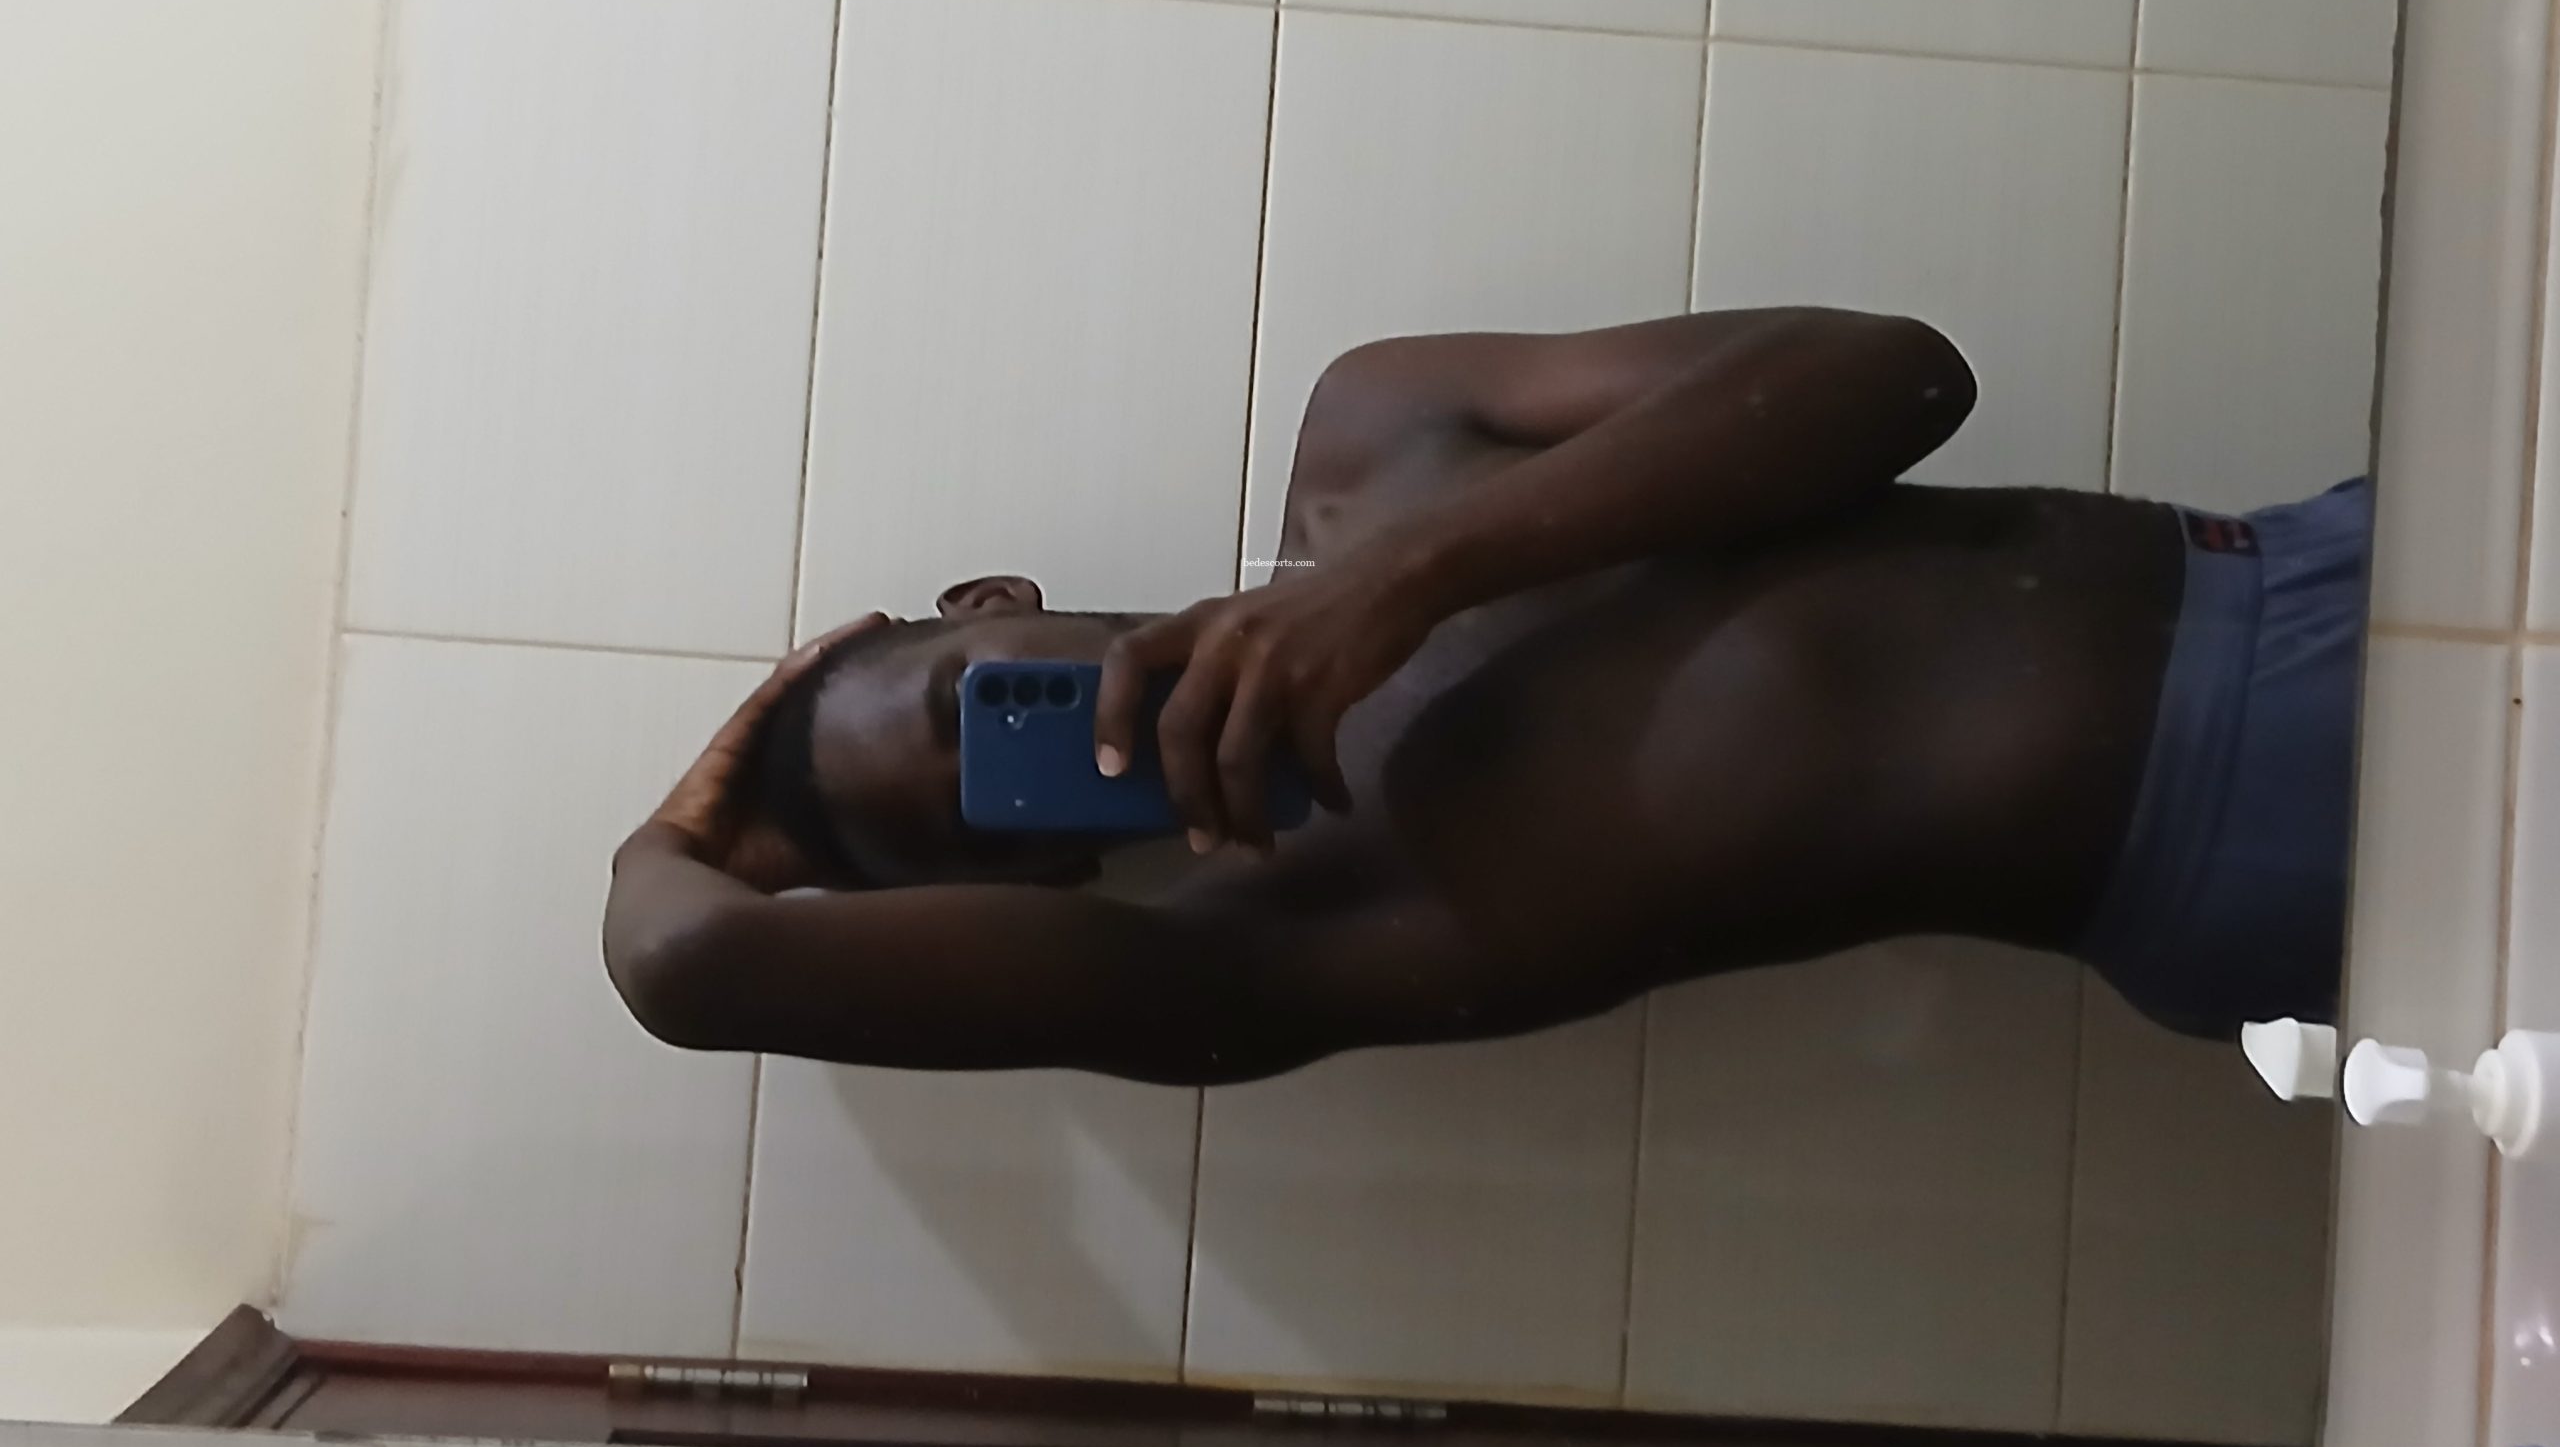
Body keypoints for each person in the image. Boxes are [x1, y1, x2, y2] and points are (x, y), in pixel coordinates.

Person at [604, 310, 2365, 1086]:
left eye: (979, 711)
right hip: (2222, 872)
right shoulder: (1295, 935)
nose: (1081, 743)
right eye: (997, 816)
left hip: (2296, 583)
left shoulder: (1379, 436)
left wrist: (1405, 574)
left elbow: (1898, 374)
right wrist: (689, 836)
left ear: (997, 604)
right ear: (1049, 880)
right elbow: (689, 968)